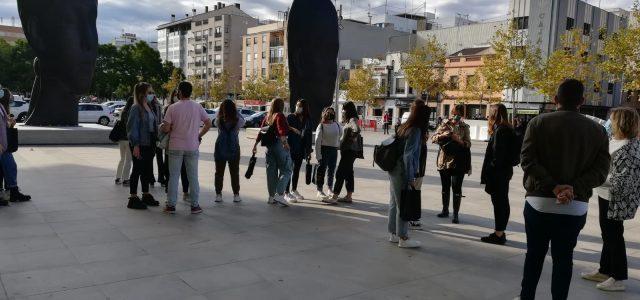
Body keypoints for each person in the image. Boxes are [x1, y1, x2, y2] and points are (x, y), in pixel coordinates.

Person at [519, 79, 610, 300]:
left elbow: (527, 161)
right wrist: (573, 188)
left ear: (555, 99)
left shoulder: (538, 123)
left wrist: (553, 186)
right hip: (574, 205)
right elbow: (600, 171)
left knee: (534, 256)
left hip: (539, 201)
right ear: (582, 101)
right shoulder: (598, 130)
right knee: (563, 259)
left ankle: (526, 297)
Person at [581, 107, 640, 292]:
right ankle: (605, 270)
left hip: (616, 198)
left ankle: (618, 276)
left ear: (621, 122)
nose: (609, 122)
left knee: (613, 235)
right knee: (608, 234)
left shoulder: (629, 147)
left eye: (612, 119)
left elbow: (621, 181)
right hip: (605, 194)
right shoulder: (616, 140)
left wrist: (593, 177)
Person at [161, 81, 212, 214]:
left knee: (173, 176)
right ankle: (195, 205)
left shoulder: (172, 108)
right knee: (193, 177)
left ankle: (171, 205)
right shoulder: (198, 107)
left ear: (179, 92)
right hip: (192, 146)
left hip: (175, 146)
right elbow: (208, 123)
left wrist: (167, 127)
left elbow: (166, 128)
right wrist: (199, 135)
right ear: (191, 92)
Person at [388, 100, 428, 249]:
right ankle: (403, 238)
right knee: (403, 204)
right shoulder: (416, 130)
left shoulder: (404, 127)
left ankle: (392, 233)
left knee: (394, 202)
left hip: (393, 168)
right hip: (402, 171)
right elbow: (409, 155)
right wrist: (411, 176)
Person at [480, 104, 516, 245]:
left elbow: (497, 156)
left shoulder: (501, 131)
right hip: (504, 172)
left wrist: (490, 173)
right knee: (502, 201)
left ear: (494, 114)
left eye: (490, 113)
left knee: (499, 203)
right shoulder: (507, 129)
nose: (488, 116)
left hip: (498, 173)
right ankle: (500, 232)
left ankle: (499, 233)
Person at [431, 104, 471, 224]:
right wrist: (443, 135)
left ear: (462, 115)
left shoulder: (465, 127)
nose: (455, 116)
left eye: (458, 114)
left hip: (458, 161)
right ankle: (445, 210)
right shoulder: (444, 125)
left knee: (457, 188)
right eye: (454, 114)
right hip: (444, 161)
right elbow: (433, 138)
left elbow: (468, 144)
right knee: (445, 187)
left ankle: (456, 214)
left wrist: (457, 139)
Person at [252, 98, 293, 207]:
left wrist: (255, 145)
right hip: (279, 145)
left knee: (271, 172)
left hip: (269, 148)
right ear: (281, 105)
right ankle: (279, 194)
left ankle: (271, 197)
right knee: (287, 169)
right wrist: (285, 142)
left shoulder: (268, 117)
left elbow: (261, 131)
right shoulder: (279, 115)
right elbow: (281, 129)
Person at [126, 83, 160, 210]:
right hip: (140, 143)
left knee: (147, 169)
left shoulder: (149, 106)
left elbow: (153, 123)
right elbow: (132, 127)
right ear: (142, 93)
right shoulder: (136, 108)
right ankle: (133, 197)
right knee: (137, 169)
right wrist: (135, 145)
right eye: (149, 92)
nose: (151, 94)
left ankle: (145, 194)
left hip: (150, 142)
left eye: (152, 91)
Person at [0, 88, 31, 203]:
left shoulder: (1, 108)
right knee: (11, 167)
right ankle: (13, 192)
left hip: (4, 145)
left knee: (6, 169)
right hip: (2, 146)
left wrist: (9, 123)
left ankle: (10, 193)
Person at [327, 101, 361, 204]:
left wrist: (352, 139)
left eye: (344, 109)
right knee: (349, 173)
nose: (343, 111)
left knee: (340, 173)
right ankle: (349, 196)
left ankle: (334, 196)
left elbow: (357, 129)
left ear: (348, 110)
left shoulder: (352, 120)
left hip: (349, 151)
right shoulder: (350, 120)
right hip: (350, 151)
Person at [214, 99, 245, 203]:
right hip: (234, 149)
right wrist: (236, 111)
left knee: (219, 173)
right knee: (234, 172)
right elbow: (243, 120)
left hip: (220, 149)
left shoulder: (219, 121)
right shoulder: (237, 121)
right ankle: (236, 195)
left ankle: (218, 195)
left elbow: (215, 122)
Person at [284, 99, 312, 203]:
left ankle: (294, 189)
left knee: (296, 170)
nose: (297, 107)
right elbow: (284, 127)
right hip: (290, 147)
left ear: (304, 108)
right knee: (288, 170)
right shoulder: (291, 117)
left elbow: (308, 136)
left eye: (299, 106)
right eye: (297, 105)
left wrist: (308, 151)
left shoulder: (307, 119)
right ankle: (286, 192)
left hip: (301, 148)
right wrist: (292, 129)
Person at [162, 90, 189, 198]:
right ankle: (169, 190)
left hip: (184, 142)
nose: (177, 97)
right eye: (175, 95)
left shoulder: (187, 107)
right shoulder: (169, 108)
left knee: (184, 169)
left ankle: (185, 190)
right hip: (170, 143)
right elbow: (166, 126)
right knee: (169, 168)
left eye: (178, 95)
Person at [314, 107, 341, 202]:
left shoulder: (337, 124)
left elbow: (340, 135)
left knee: (331, 170)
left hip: (334, 150)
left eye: (332, 112)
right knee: (321, 170)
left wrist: (337, 145)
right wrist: (318, 155)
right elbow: (317, 141)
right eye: (328, 112)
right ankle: (319, 190)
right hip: (324, 149)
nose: (330, 114)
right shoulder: (321, 126)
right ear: (324, 114)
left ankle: (330, 188)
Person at [115, 97, 133, 187]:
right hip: (128, 139)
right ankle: (126, 179)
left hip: (121, 139)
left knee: (122, 159)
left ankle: (118, 177)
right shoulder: (132, 112)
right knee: (128, 160)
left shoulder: (123, 111)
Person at [150, 96, 166, 187]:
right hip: (158, 135)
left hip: (152, 135)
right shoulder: (158, 106)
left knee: (151, 158)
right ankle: (161, 178)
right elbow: (161, 121)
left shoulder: (154, 106)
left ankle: (151, 179)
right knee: (159, 158)